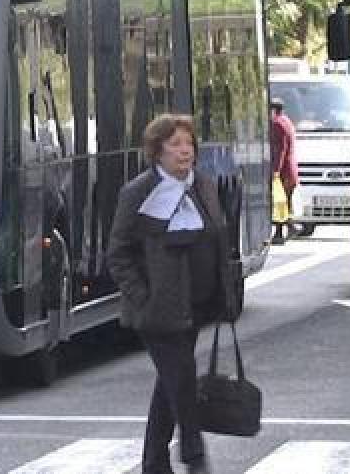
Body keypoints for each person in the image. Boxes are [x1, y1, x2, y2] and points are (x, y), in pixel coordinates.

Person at [108, 114, 239, 474]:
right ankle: (195, 457)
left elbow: (220, 241)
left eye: (188, 144)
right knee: (181, 378)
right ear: (157, 150)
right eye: (175, 144)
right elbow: (119, 253)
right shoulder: (138, 191)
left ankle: (154, 462)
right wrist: (142, 298)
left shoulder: (206, 187)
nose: (184, 151)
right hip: (157, 312)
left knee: (170, 383)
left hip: (196, 304)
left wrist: (225, 290)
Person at [269, 98, 299, 244]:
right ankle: (287, 229)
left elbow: (281, 149)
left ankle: (282, 232)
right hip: (290, 170)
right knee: (284, 201)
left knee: (279, 201)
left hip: (284, 171)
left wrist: (276, 170)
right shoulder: (287, 121)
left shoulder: (277, 124)